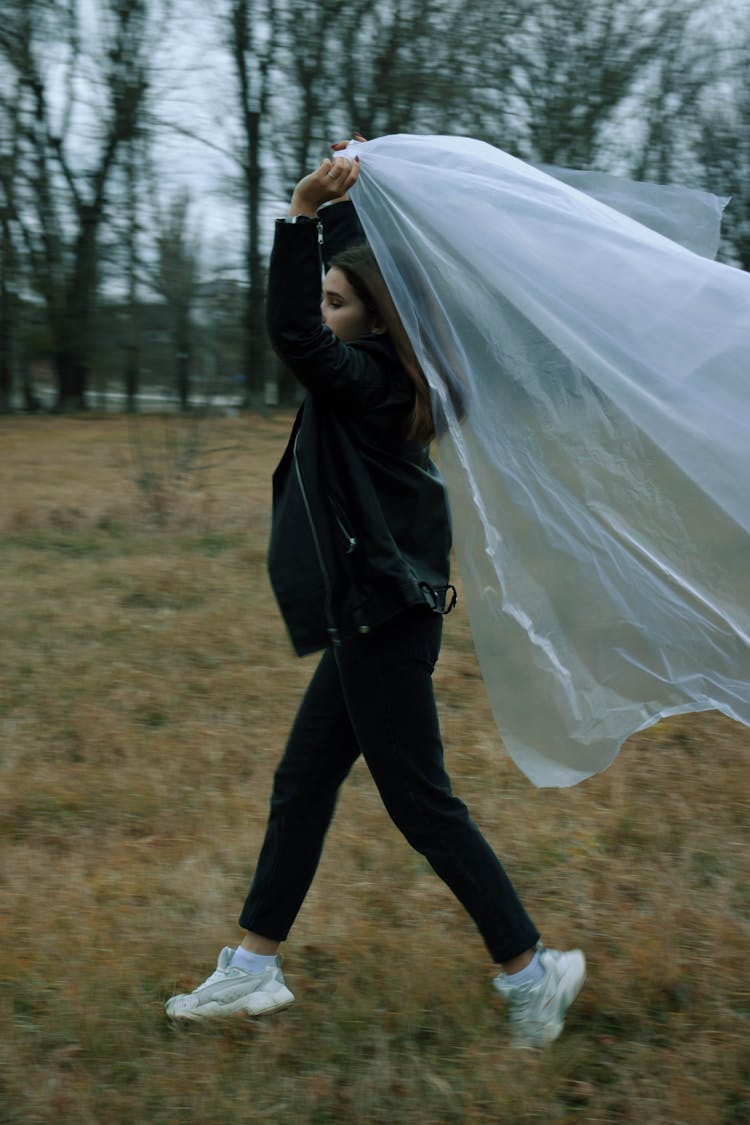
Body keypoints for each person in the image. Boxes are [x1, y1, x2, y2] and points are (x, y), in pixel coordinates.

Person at [164, 153, 586, 1047]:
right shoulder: (383, 380)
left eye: (338, 302)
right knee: (304, 781)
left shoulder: (375, 382)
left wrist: (301, 212)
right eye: (325, 298)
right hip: (376, 611)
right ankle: (251, 968)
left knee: (422, 802)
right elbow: (307, 336)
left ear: (377, 319)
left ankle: (531, 974)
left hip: (384, 617)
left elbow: (293, 335)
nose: (324, 314)